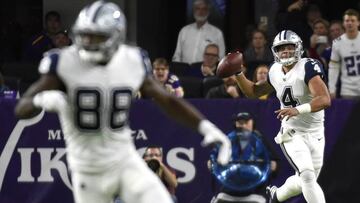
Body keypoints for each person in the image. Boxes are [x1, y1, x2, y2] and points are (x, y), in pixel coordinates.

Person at [14, 1, 231, 203]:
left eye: (96, 37)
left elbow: (166, 99)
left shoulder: (131, 60)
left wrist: (205, 126)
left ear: (115, 36)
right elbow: (22, 109)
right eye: (85, 35)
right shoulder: (63, 62)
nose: (88, 42)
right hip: (88, 172)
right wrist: (42, 101)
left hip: (124, 160)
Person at [233, 30, 331, 203]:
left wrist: (298, 109)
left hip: (316, 132)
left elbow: (324, 99)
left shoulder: (308, 66)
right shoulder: (275, 70)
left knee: (305, 181)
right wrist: (238, 73)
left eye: (289, 47)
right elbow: (253, 92)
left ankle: (275, 196)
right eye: (281, 48)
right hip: (292, 132)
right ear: (275, 52)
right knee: (307, 175)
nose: (285, 51)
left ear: (298, 48)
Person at [209, 112, 279, 203]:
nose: (243, 126)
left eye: (246, 122)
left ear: (252, 123)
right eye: (240, 123)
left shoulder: (260, 140)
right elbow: (213, 163)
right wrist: (213, 164)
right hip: (228, 191)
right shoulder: (228, 140)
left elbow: (274, 164)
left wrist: (272, 166)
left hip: (255, 192)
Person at [172, 0, 225, 64]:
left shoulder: (217, 33)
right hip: (184, 71)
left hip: (206, 72)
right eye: (198, 9)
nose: (201, 12)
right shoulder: (184, 31)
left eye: (204, 9)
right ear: (194, 11)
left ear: (208, 11)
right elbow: (177, 55)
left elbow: (221, 58)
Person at [328, 9, 360, 100]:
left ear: (358, 23)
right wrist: (332, 89)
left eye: (353, 20)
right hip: (348, 90)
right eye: (347, 21)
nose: (350, 23)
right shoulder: (337, 43)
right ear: (343, 23)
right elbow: (333, 67)